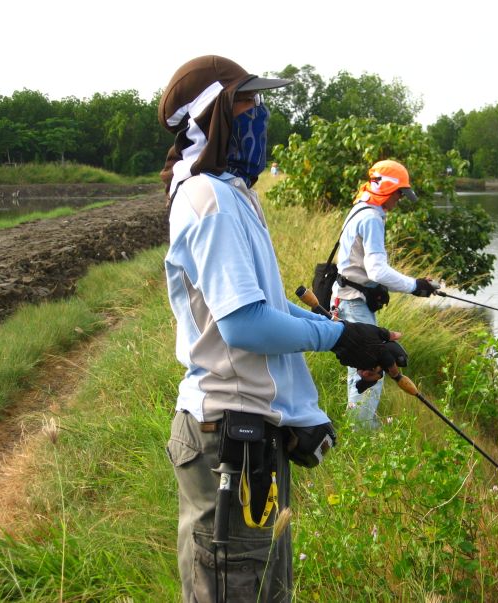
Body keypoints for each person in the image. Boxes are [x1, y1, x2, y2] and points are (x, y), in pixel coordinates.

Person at [158, 55, 402, 603]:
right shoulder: (210, 201)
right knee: (235, 588)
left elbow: (268, 307)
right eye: (249, 101)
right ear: (215, 114)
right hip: (228, 436)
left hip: (252, 435)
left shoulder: (233, 195)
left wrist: (344, 331)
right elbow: (245, 325)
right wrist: (339, 337)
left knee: (266, 590)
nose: (260, 113)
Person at [331, 160, 439, 429]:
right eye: (399, 193)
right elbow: (377, 270)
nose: (400, 200)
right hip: (354, 303)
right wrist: (415, 286)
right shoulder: (371, 218)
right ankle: (361, 430)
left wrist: (414, 284)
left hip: (344, 297)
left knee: (360, 368)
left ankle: (362, 424)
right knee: (371, 369)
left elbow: (364, 269)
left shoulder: (360, 209)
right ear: (388, 191)